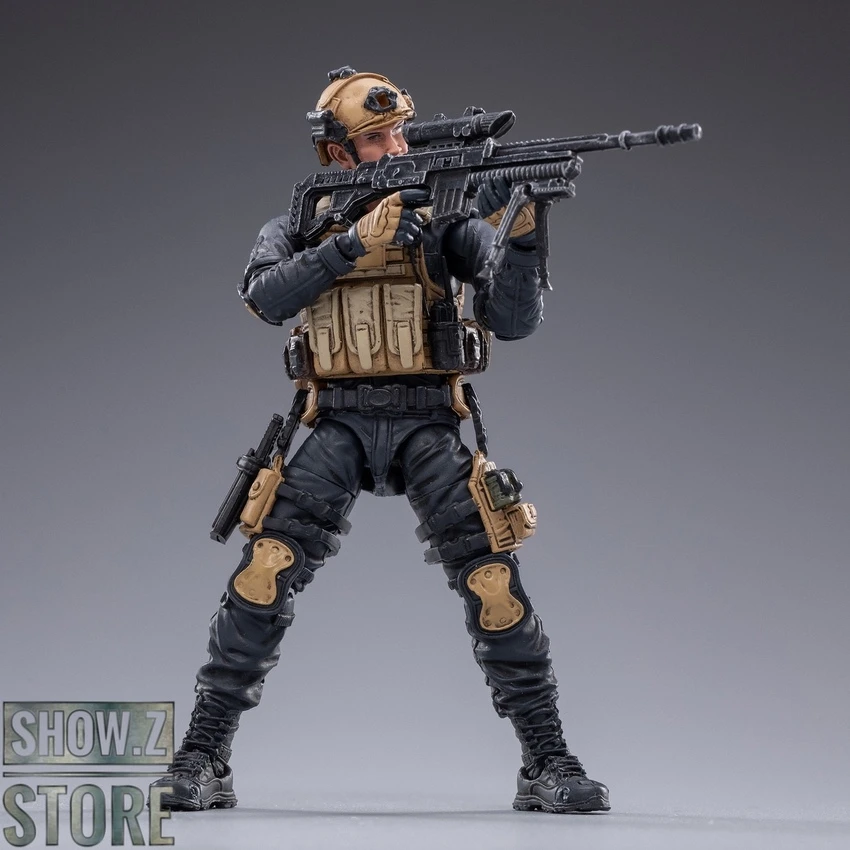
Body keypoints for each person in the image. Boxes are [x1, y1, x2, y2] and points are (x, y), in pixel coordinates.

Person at [150, 66, 609, 815]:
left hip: (428, 419)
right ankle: (204, 753)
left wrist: (522, 234)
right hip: (335, 421)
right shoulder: (303, 221)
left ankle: (548, 760)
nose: (397, 147)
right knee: (264, 573)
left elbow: (513, 322)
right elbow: (264, 297)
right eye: (377, 138)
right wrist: (348, 246)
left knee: (493, 582)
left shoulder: (441, 222)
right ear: (338, 154)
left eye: (401, 133)